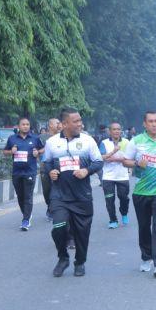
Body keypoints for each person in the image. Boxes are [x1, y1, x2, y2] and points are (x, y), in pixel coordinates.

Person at [44, 108, 104, 277]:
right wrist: (50, 171)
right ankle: (63, 258)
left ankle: (80, 262)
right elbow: (47, 162)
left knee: (82, 233)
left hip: (82, 195)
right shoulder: (52, 142)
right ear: (64, 124)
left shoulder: (88, 141)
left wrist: (86, 171)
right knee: (58, 227)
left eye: (80, 121)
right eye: (76, 121)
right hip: (59, 194)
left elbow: (98, 162)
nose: (80, 124)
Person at [122, 112, 156, 278]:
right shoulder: (136, 141)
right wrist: (137, 163)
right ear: (144, 124)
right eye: (151, 121)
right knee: (144, 226)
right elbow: (125, 161)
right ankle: (146, 257)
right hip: (140, 191)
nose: (154, 124)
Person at [2, 117, 45, 230]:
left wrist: (37, 152)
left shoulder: (35, 138)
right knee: (20, 196)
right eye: (23, 124)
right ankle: (27, 214)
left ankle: (25, 220)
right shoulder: (12, 138)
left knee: (28, 196)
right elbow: (5, 152)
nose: (25, 126)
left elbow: (43, 149)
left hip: (30, 171)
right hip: (16, 172)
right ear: (18, 126)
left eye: (27, 124)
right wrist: (11, 151)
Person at [99, 122, 130, 229]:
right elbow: (101, 157)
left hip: (122, 176)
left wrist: (113, 159)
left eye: (118, 129)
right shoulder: (104, 143)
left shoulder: (126, 142)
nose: (117, 131)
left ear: (121, 131)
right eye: (114, 129)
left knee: (124, 197)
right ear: (110, 131)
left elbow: (129, 158)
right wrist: (113, 152)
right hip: (108, 176)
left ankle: (124, 213)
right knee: (109, 199)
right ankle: (113, 220)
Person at [39, 118, 62, 221]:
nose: (59, 125)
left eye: (59, 123)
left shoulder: (62, 137)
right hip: (45, 167)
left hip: (59, 167)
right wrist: (47, 148)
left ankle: (55, 209)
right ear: (50, 125)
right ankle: (49, 206)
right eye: (57, 123)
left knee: (58, 189)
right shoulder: (42, 137)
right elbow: (36, 150)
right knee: (47, 190)